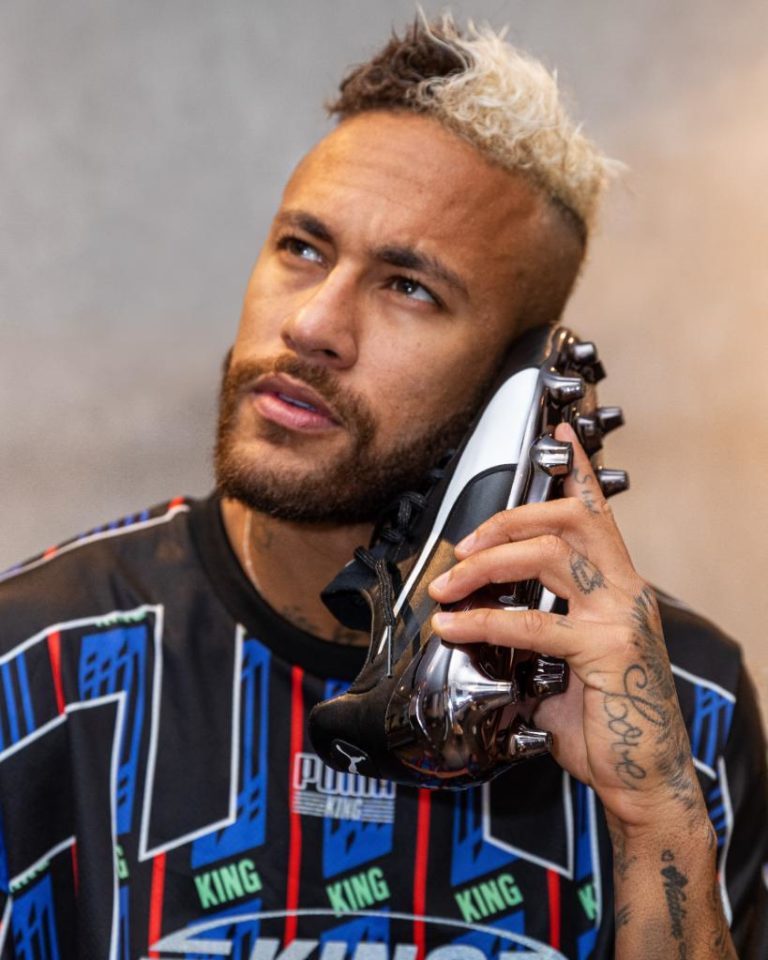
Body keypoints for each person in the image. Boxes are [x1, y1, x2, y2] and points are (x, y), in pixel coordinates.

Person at [0, 14, 765, 960]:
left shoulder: (682, 701)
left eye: (409, 287)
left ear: (516, 380)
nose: (313, 324)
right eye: (302, 248)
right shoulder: (33, 661)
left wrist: (654, 821)